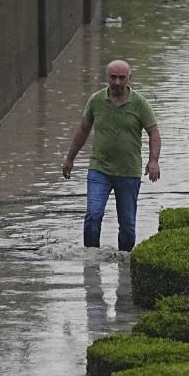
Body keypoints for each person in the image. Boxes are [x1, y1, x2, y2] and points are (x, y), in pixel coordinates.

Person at [62, 60, 161, 251]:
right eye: (113, 77)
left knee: (127, 226)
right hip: (100, 170)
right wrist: (70, 158)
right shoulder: (96, 100)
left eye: (121, 78)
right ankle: (91, 260)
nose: (117, 82)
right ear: (106, 78)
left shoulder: (140, 104)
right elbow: (83, 130)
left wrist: (153, 160)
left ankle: (124, 263)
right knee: (93, 214)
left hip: (128, 173)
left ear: (129, 79)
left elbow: (154, 133)